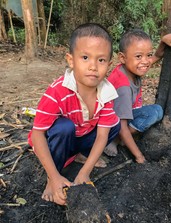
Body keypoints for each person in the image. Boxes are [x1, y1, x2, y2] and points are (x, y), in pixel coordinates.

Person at [28, 23, 120, 205]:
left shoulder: (107, 93)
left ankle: (81, 156)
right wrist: (54, 178)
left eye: (101, 60)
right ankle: (52, 177)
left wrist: (85, 172)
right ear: (71, 60)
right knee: (64, 127)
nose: (93, 66)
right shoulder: (57, 92)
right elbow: (38, 134)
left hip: (82, 136)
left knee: (114, 125)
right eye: (85, 57)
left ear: (109, 65)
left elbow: (102, 136)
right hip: (59, 139)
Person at [104, 29, 171, 163]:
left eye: (148, 55)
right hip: (112, 124)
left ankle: (121, 138)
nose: (146, 61)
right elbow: (121, 125)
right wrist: (139, 156)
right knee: (155, 112)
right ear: (122, 58)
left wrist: (163, 41)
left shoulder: (128, 68)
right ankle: (116, 140)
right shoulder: (123, 87)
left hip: (118, 116)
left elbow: (156, 57)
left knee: (155, 111)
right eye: (138, 56)